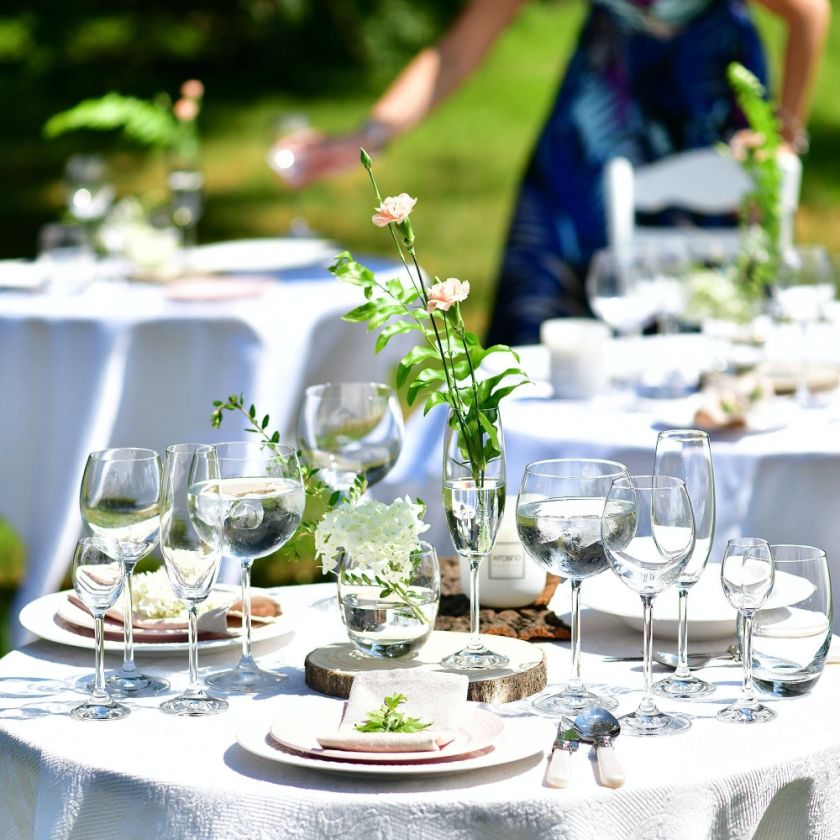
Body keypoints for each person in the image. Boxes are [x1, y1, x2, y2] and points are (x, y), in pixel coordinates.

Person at [274, 0, 830, 346]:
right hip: (599, 114)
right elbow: (457, 52)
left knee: (708, 319)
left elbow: (809, 11)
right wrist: (370, 135)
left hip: (705, 102)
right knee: (541, 295)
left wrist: (784, 133)